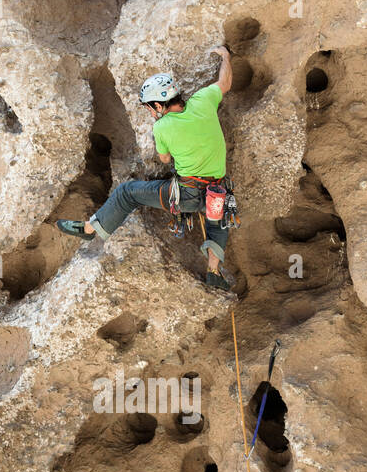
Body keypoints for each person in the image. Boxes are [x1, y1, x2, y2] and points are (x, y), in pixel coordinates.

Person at [57, 46, 235, 291]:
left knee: (127, 193)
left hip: (186, 195)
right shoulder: (204, 100)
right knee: (217, 222)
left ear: (159, 105)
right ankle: (214, 272)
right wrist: (226, 56)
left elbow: (163, 159)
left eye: (150, 107)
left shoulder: (162, 127)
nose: (150, 113)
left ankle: (89, 229)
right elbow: (224, 82)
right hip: (217, 191)